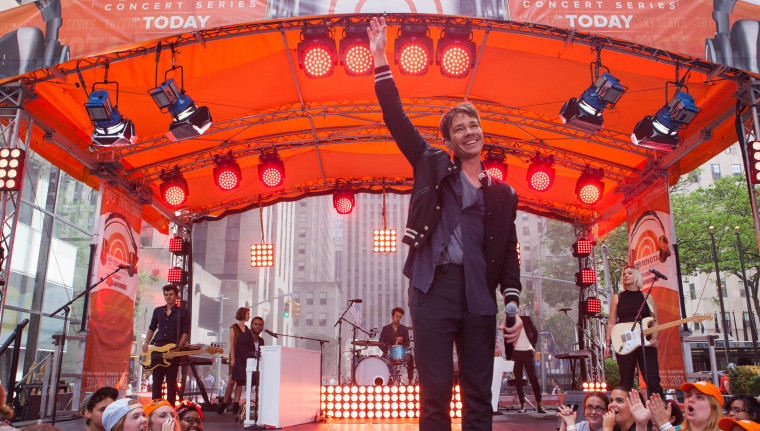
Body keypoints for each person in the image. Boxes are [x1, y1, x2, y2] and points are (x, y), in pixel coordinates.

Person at [367, 16, 523, 431]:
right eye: (460, 128)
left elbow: (509, 253)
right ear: (450, 141)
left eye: (474, 125)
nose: (470, 131)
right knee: (434, 392)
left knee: (478, 394)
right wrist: (380, 57)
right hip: (432, 288)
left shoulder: (502, 193)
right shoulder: (433, 163)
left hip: (479, 295)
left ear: (481, 133)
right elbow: (396, 118)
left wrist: (512, 307)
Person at [604, 266, 663, 397]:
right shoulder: (617, 298)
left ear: (636, 276)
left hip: (645, 342)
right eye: (624, 274)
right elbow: (611, 322)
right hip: (624, 341)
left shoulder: (648, 298)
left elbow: (655, 322)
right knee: (626, 380)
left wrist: (654, 338)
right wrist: (608, 344)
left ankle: (658, 411)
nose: (626, 276)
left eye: (629, 273)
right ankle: (627, 412)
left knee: (653, 380)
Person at [142, 284, 190, 406]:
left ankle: (170, 409)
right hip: (157, 348)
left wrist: (178, 348)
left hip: (173, 348)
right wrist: (146, 343)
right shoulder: (158, 311)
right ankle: (155, 408)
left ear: (176, 295)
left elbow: (185, 332)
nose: (168, 297)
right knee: (157, 381)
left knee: (171, 382)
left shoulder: (183, 313)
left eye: (171, 294)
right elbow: (152, 328)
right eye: (166, 295)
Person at [229, 316, 265, 415]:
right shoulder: (243, 337)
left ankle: (261, 407)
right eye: (256, 324)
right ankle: (240, 406)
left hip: (254, 370)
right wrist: (256, 354)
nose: (258, 326)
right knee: (254, 379)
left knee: (265, 378)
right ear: (251, 325)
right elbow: (245, 354)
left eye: (260, 325)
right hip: (242, 369)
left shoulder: (261, 340)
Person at [218, 307, 250, 414]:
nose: (249, 316)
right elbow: (231, 344)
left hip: (244, 357)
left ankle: (236, 404)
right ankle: (225, 403)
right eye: (248, 314)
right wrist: (233, 359)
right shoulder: (233, 327)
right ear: (243, 314)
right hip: (235, 356)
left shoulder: (247, 329)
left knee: (240, 382)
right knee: (231, 381)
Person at [513, 314, 545, 413]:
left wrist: (533, 346)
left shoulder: (526, 319)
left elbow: (535, 332)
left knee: (533, 378)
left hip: (527, 351)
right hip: (516, 353)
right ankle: (522, 405)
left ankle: (539, 404)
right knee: (518, 380)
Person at [379, 307, 415, 383]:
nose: (398, 318)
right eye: (397, 316)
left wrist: (401, 342)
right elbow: (380, 343)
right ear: (392, 316)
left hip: (401, 353)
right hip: (388, 353)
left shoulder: (404, 329)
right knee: (381, 361)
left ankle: (410, 382)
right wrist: (386, 351)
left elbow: (407, 343)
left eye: (400, 317)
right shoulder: (386, 328)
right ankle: (386, 381)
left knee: (410, 357)